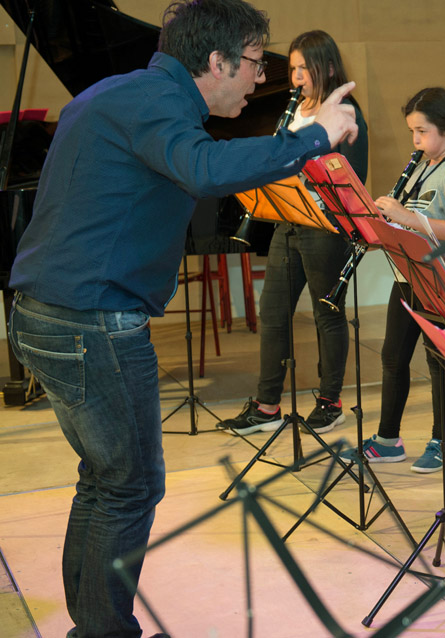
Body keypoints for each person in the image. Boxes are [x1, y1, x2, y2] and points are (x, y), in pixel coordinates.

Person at [5, 1, 359, 636]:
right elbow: (203, 170)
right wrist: (314, 136)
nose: (260, 78)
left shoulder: (116, 94)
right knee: (132, 487)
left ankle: (92, 625)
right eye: (253, 62)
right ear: (216, 61)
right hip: (92, 325)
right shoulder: (155, 106)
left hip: (45, 315)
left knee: (105, 482)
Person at [218, 29, 368, 437]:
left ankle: (330, 401)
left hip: (324, 227)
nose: (297, 77)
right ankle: (267, 406)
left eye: (305, 68)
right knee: (273, 313)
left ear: (329, 67)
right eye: (294, 68)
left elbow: (351, 178)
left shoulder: (344, 111)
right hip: (289, 220)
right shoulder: (296, 109)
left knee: (327, 314)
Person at [352, 87, 445, 472]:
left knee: (438, 362)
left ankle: (442, 441)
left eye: (422, 131)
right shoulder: (423, 166)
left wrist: (406, 217)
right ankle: (387, 440)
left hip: (440, 280)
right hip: (407, 275)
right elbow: (412, 221)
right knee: (393, 357)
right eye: (412, 131)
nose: (416, 140)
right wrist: (384, 225)